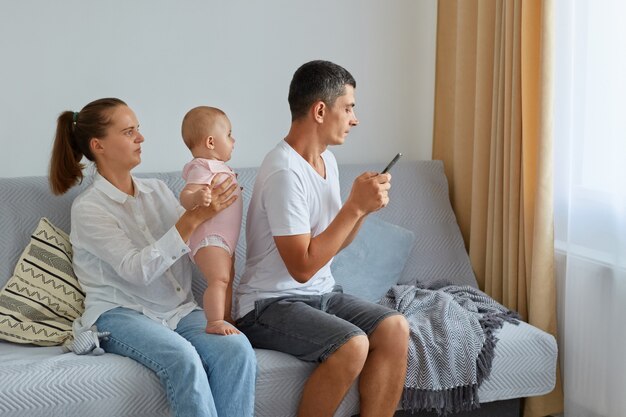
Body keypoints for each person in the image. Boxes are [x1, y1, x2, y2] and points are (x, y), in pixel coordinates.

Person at [49, 98, 256, 417]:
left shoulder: (158, 190)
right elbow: (137, 270)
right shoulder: (89, 208)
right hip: (120, 313)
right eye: (129, 131)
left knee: (237, 349)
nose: (141, 138)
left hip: (177, 309)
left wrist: (217, 223)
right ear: (98, 145)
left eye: (138, 130)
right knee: (182, 358)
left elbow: (193, 242)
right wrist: (194, 218)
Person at [234, 60, 410, 417]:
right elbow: (301, 266)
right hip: (268, 304)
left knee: (394, 327)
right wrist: (352, 209)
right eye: (348, 108)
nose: (354, 119)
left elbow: (334, 244)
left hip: (322, 294)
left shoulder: (327, 162)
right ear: (319, 110)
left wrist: (361, 210)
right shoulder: (284, 171)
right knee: (352, 344)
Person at [179, 106, 242, 335]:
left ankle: (226, 317)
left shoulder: (221, 168)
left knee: (227, 278)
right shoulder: (202, 166)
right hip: (210, 237)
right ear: (211, 142)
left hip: (225, 240)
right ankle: (214, 321)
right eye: (228, 134)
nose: (233, 140)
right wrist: (197, 197)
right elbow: (186, 195)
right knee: (219, 278)